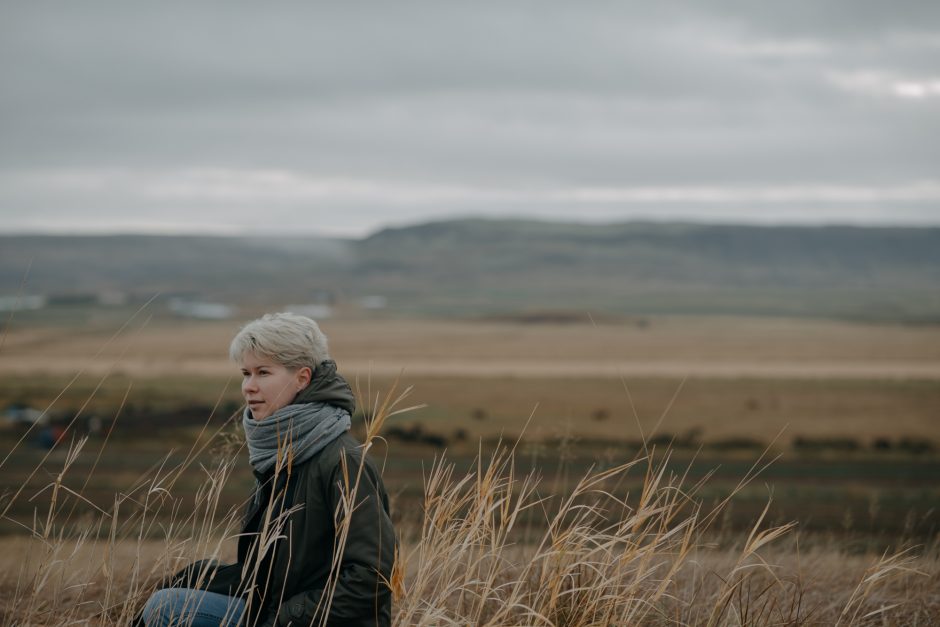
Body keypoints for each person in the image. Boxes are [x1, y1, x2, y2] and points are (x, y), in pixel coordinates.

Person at [141, 313, 396, 627]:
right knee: (172, 597)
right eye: (245, 373)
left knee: (168, 609)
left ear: (302, 378)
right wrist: (197, 577)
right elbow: (267, 574)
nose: (248, 387)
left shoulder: (341, 461)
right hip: (279, 611)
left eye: (263, 373)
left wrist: (282, 620)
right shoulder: (282, 453)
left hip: (315, 621)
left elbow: (370, 579)